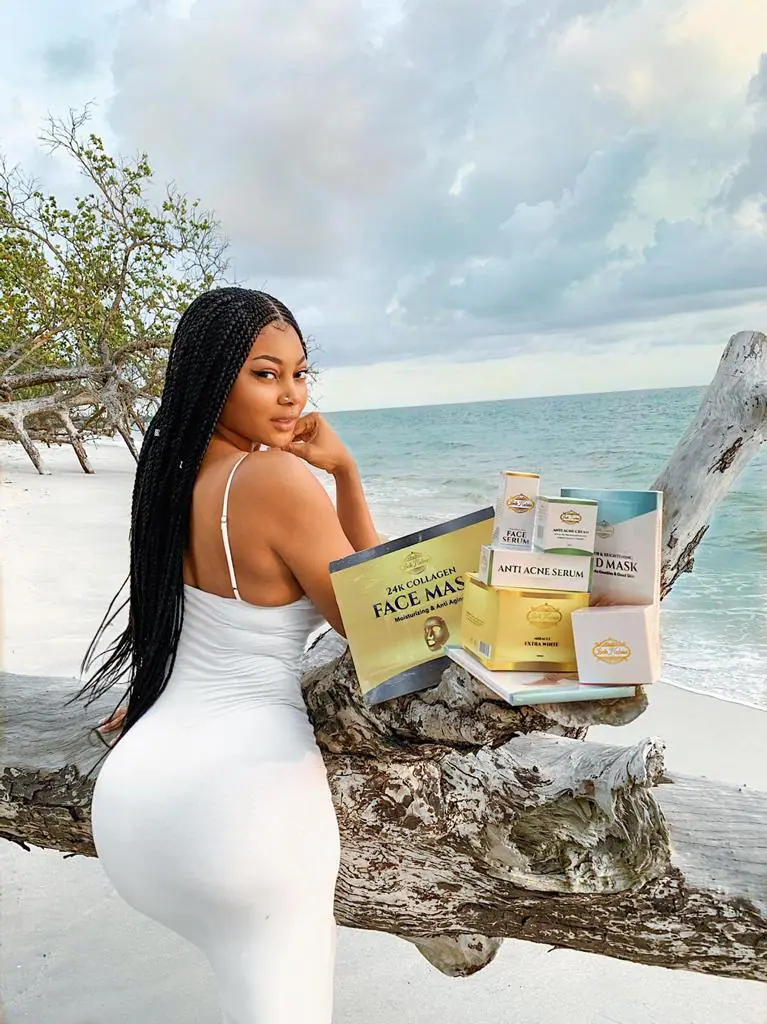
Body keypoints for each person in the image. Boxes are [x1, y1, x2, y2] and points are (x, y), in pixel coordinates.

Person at [77, 286, 380, 1024]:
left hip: (135, 803)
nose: (291, 395)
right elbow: (378, 623)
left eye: (301, 374)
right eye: (265, 374)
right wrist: (345, 474)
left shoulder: (173, 482)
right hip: (239, 810)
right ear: (212, 376)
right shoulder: (275, 478)